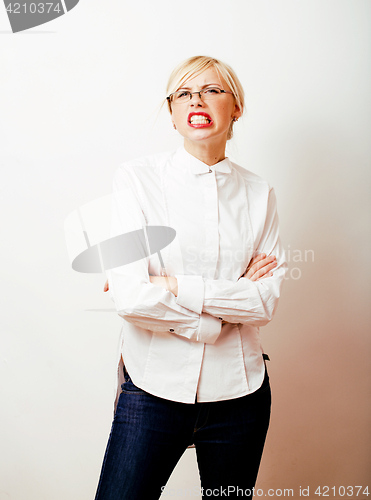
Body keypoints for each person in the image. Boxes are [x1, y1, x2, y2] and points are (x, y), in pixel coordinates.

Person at [95, 55, 287, 500]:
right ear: (172, 112)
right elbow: (129, 296)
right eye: (184, 93)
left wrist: (172, 284)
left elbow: (264, 303)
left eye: (212, 90)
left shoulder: (260, 194)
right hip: (150, 389)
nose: (196, 100)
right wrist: (217, 315)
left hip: (240, 394)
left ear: (235, 108)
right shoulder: (136, 181)